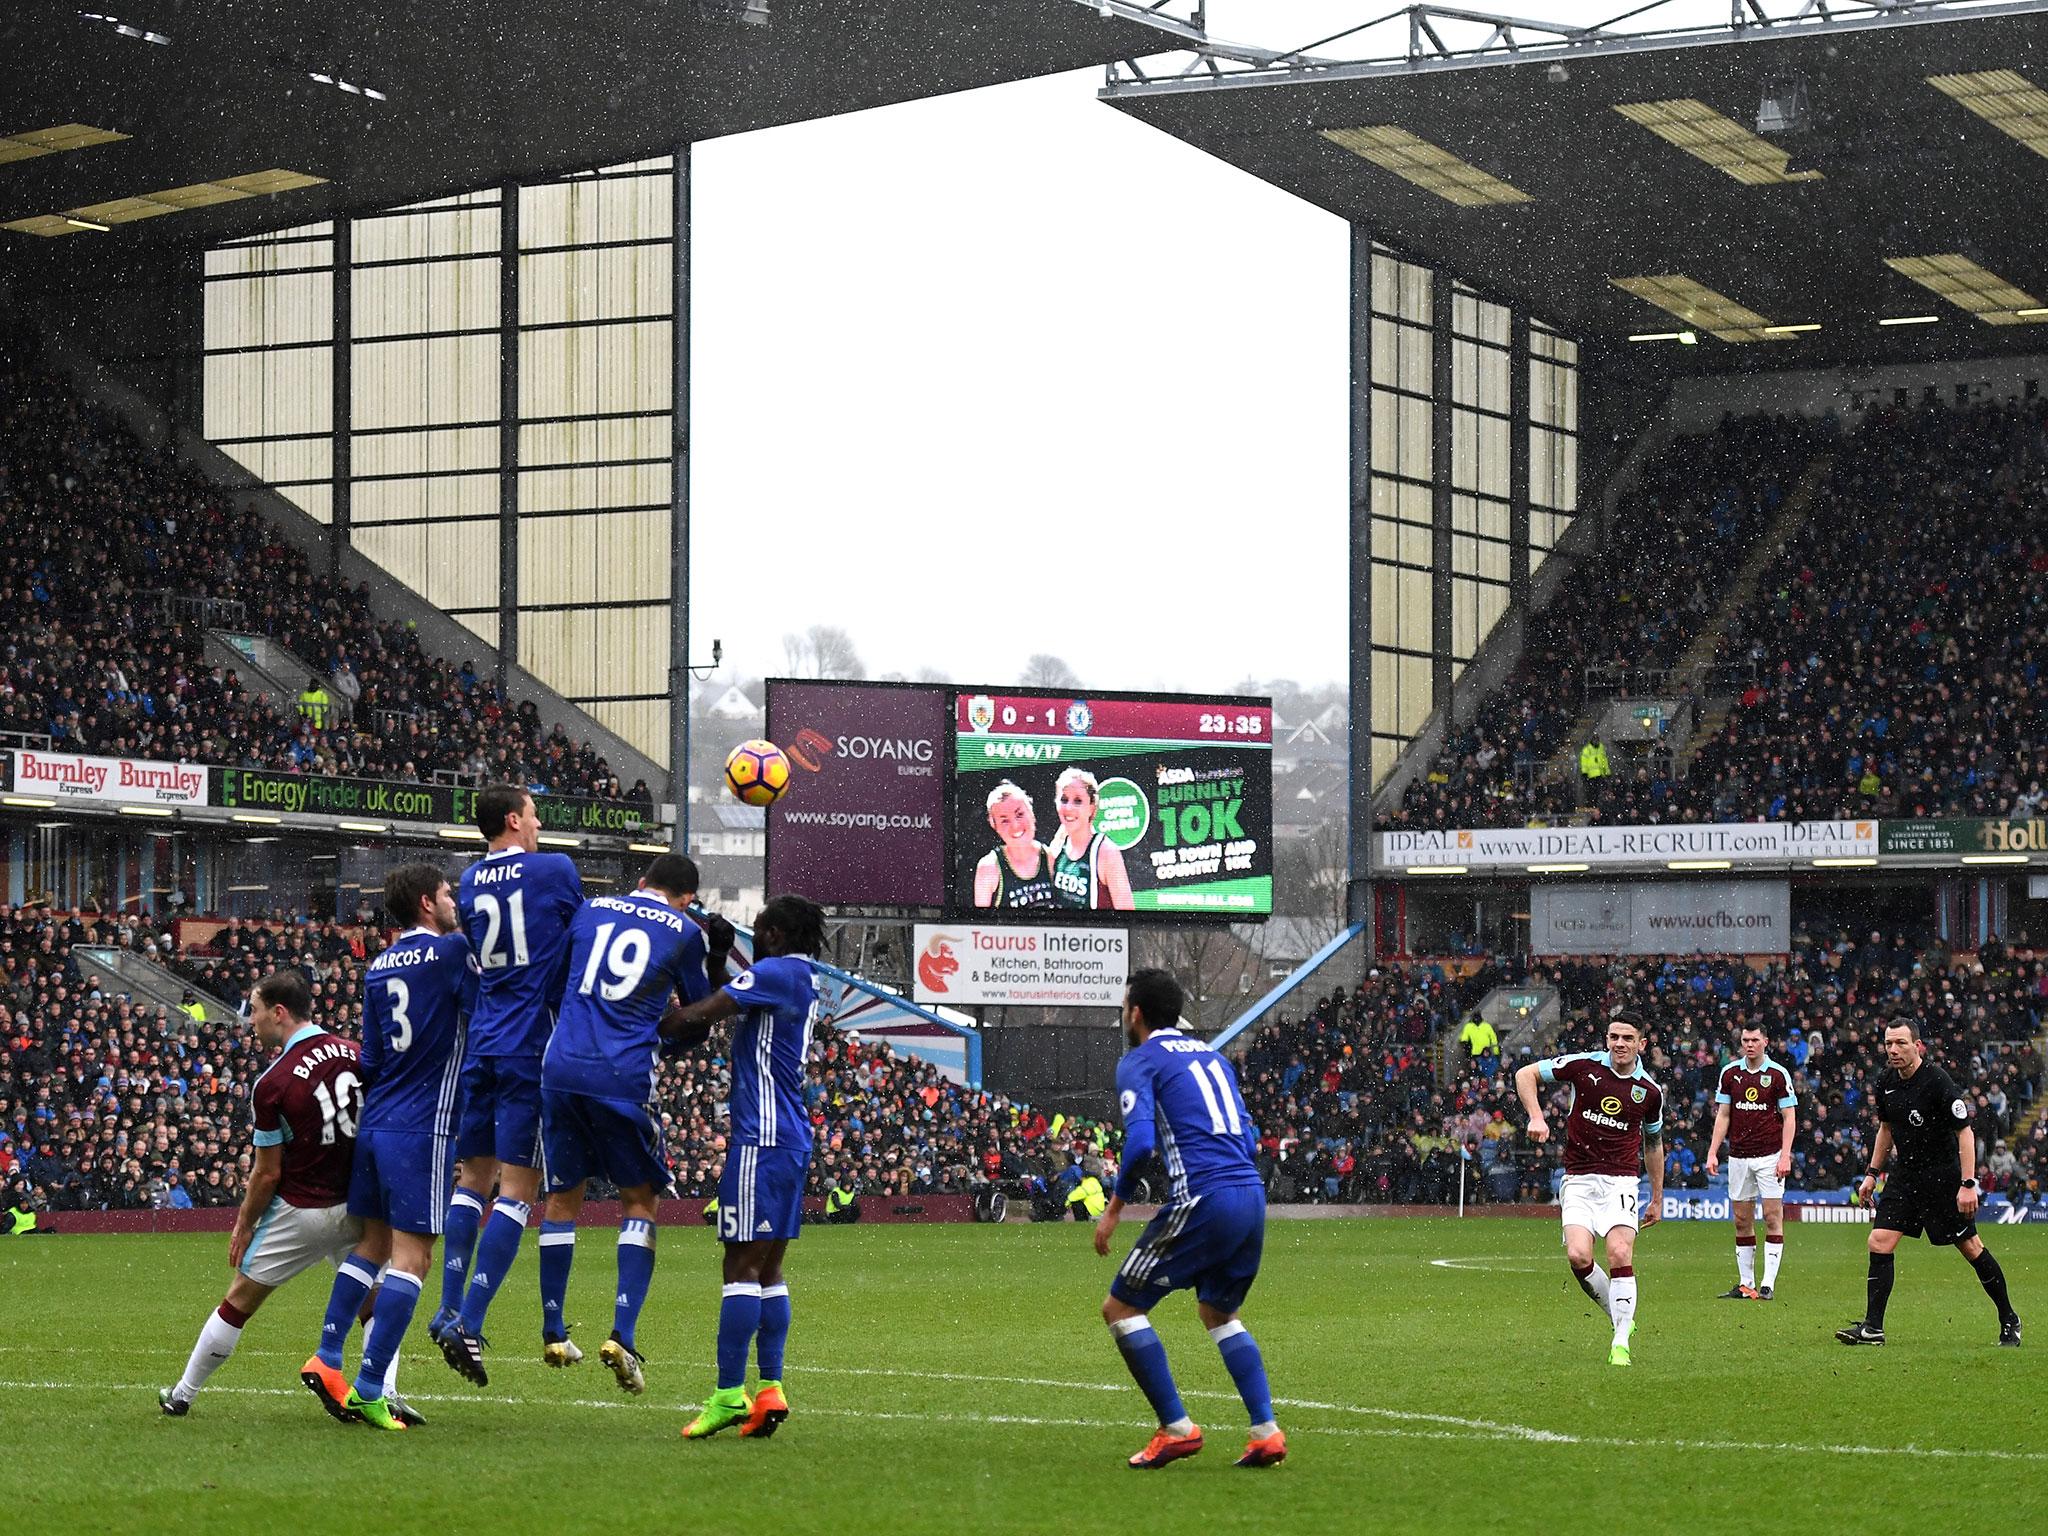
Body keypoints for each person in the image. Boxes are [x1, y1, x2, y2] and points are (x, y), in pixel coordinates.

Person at [532, 853, 731, 1397]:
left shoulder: (591, 910)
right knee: (639, 1201)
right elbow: (695, 1015)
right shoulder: (686, 932)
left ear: (640, 883)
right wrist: (662, 1032)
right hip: (621, 1076)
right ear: (686, 898)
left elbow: (553, 988)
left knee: (561, 1200)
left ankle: (553, 1329)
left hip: (560, 1068)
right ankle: (622, 1333)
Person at [300, 863, 476, 1432]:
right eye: (449, 894)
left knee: (373, 1244)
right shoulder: (451, 955)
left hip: (376, 1123)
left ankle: (328, 1357)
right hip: (421, 1126)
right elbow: (485, 1007)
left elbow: (371, 1060)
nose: (456, 902)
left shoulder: (379, 965)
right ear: (428, 903)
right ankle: (372, 1387)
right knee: (413, 1258)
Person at [160, 971, 376, 1416]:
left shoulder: (273, 1082)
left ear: (279, 1013)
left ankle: (182, 1394)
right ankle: (382, 1391)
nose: (250, 1021)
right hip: (358, 1204)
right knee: (374, 1301)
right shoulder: (356, 1054)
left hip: (302, 1209)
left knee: (239, 1301)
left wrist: (244, 1222)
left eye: (255, 1010)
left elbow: (266, 1174)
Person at [1094, 968, 1285, 1471]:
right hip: (1250, 1193)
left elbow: (1139, 1144)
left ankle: (1176, 1428)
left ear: (1135, 1012)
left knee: (1121, 1309)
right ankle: (1265, 1431)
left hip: (1204, 1197)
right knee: (1218, 1313)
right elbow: (1246, 1139)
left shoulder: (1139, 1061)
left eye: (1124, 1005)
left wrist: (1114, 1210)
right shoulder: (1215, 1058)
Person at [436, 783, 585, 1384]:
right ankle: (468, 1322)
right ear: (512, 820)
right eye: (533, 813)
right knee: (520, 1190)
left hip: (484, 1042)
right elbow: (581, 936)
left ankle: (448, 1306)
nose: (540, 821)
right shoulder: (554, 869)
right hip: (530, 1043)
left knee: (473, 1179)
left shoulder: (469, 881)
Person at [667, 894, 826, 1441]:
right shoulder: (799, 974)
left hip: (761, 1139)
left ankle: (728, 1393)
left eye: (757, 929)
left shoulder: (774, 972)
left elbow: (700, 1013)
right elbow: (724, 992)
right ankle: (770, 1390)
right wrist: (719, 952)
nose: (752, 936)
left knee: (739, 1269)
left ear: (776, 934)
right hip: (791, 1137)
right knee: (769, 1270)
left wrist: (634, 1020)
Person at [1836, 1019, 2022, 1348]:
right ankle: (1873, 1329)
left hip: (1943, 1178)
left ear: (1917, 1045)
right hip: (1905, 1177)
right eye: (1889, 1043)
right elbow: (1886, 1130)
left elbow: (1965, 1133)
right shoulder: (1885, 1082)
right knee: (1879, 1241)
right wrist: (1871, 1173)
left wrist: (1968, 1183)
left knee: (1971, 1249)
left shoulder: (1937, 1082)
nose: (1893, 1050)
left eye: (1900, 1043)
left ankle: (2009, 1318)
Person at [1515, 1014, 1665, 1367]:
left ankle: (1620, 1342)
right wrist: (1536, 1116)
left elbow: (1654, 1144)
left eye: (1628, 1038)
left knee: (1617, 1253)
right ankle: (1621, 1318)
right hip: (1579, 1179)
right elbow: (1526, 1074)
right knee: (1579, 1256)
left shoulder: (1650, 1092)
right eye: (1614, 1036)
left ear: (1641, 1044)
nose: (1620, 1044)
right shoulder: (1584, 1066)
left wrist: (1657, 1197)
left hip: (1621, 1182)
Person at [1703, 1025, 1797, 1300]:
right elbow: (1723, 1115)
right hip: (1739, 1157)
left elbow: (1789, 1117)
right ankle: (1747, 1284)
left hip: (1769, 1156)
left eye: (1755, 1040)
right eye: (1746, 1040)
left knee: (1771, 1217)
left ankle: (1767, 1284)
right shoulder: (1730, 1073)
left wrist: (1785, 1154)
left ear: (1765, 1042)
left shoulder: (1778, 1074)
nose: (1750, 1044)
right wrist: (1712, 1152)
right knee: (1742, 1220)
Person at [1046, 768, 1135, 911]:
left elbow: (1129, 917)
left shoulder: (1106, 852)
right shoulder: (1057, 847)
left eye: (1078, 801)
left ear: (1092, 808)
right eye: (1063, 799)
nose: (1069, 807)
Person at [971, 782, 1058, 909]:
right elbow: (980, 924)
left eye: (1020, 814)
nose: (1015, 826)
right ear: (994, 826)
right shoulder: (989, 868)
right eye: (1004, 821)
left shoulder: (1050, 858)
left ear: (1032, 813)